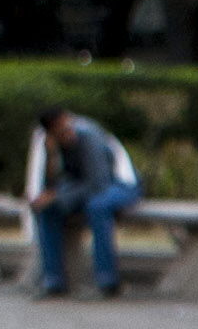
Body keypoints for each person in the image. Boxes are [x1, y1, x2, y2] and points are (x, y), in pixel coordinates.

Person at [23, 106, 141, 300]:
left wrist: (58, 196)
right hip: (85, 186)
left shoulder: (89, 135)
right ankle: (53, 280)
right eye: (61, 132)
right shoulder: (50, 143)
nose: (68, 133)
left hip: (121, 183)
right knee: (47, 209)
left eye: (68, 127)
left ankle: (108, 281)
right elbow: (52, 184)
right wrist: (51, 157)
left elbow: (98, 184)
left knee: (97, 206)